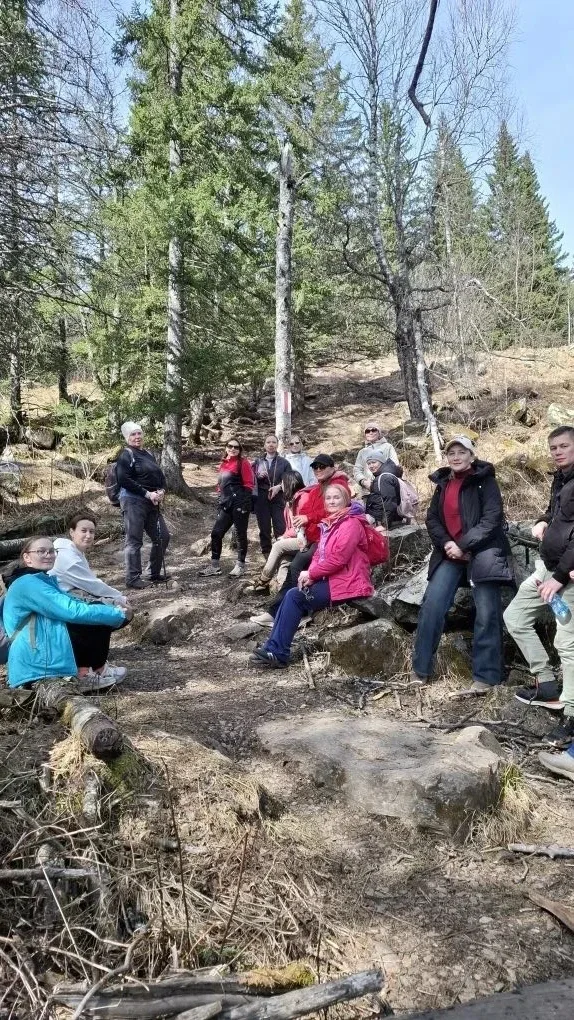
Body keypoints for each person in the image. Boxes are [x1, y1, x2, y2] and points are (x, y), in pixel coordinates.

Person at [411, 436, 513, 693]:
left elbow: (492, 519)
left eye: (461, 452)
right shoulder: (443, 483)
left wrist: (464, 544)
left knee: (487, 612)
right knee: (432, 605)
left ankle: (486, 677)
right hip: (450, 554)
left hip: (483, 553)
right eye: (451, 453)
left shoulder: (485, 481)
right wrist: (448, 543)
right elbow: (432, 519)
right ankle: (421, 670)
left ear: (471, 455)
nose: (456, 457)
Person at [504, 426, 574, 781]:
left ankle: (571, 715)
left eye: (564, 446)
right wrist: (543, 521)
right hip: (547, 567)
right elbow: (555, 512)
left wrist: (559, 577)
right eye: (553, 447)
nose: (557, 452)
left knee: (567, 643)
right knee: (515, 616)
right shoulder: (561, 478)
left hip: (567, 575)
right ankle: (546, 683)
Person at [249, 485, 374, 668]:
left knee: (295, 597)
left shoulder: (351, 523)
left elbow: (339, 559)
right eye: (328, 498)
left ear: (346, 500)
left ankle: (278, 652)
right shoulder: (330, 523)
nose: (332, 501)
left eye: (336, 498)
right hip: (334, 580)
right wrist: (311, 576)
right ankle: (272, 648)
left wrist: (312, 573)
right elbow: (318, 555)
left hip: (350, 582)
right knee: (292, 594)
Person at [3, 537, 131, 693]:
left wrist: (110, 604)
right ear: (27, 557)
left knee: (95, 612)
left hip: (37, 650)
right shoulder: (28, 583)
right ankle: (87, 673)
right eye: (41, 551)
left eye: (52, 551)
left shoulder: (39, 580)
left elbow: (73, 601)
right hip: (35, 657)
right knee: (91, 618)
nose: (48, 555)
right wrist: (115, 612)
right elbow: (70, 610)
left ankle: (94, 670)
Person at [250, 455, 351, 626]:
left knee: (297, 566)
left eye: (322, 466)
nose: (318, 469)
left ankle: (300, 611)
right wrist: (303, 531)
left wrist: (308, 518)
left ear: (332, 467)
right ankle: (275, 612)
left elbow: (333, 511)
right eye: (315, 467)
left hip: (329, 538)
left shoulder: (338, 484)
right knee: (291, 565)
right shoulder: (318, 487)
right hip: (314, 538)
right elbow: (309, 512)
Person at [49, 511, 128, 682]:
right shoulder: (68, 558)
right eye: (83, 531)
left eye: (92, 531)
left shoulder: (72, 550)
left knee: (103, 612)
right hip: (58, 605)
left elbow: (89, 583)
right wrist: (120, 598)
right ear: (72, 532)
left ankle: (91, 665)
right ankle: (95, 669)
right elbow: (92, 584)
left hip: (66, 600)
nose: (88, 535)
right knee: (103, 616)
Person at [116, 421, 170, 590]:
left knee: (163, 536)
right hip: (133, 501)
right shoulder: (126, 455)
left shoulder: (148, 454)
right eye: (133, 434)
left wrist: (161, 491)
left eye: (139, 433)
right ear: (127, 437)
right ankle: (132, 578)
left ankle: (153, 573)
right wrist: (147, 493)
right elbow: (123, 479)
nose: (137, 437)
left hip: (151, 502)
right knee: (134, 540)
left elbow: (160, 477)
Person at [199, 438, 255, 578]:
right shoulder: (223, 463)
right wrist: (220, 499)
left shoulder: (243, 462)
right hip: (225, 504)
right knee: (216, 533)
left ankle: (240, 566)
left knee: (240, 534)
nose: (233, 449)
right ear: (226, 448)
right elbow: (220, 485)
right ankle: (214, 566)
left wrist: (244, 504)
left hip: (239, 503)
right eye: (230, 446)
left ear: (240, 450)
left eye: (236, 447)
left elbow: (249, 484)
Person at [248, 470, 307, 593]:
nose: (281, 485)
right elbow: (290, 527)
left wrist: (285, 537)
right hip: (298, 538)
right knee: (285, 559)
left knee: (277, 546)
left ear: (289, 482)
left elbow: (302, 526)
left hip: (307, 540)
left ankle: (263, 580)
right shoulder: (290, 501)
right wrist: (285, 535)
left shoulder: (303, 498)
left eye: (282, 483)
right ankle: (281, 590)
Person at [252, 435, 291, 556]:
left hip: (278, 497)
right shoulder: (257, 462)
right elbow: (250, 480)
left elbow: (290, 480)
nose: (271, 444)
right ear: (264, 445)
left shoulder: (284, 462)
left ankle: (282, 556)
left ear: (277, 444)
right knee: (264, 528)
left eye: (274, 442)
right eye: (268, 442)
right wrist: (258, 477)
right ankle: (267, 555)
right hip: (261, 498)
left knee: (280, 527)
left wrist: (279, 487)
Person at [354, 423, 399, 493]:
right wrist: (363, 482)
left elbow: (394, 465)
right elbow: (357, 470)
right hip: (366, 490)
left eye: (373, 430)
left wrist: (382, 480)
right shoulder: (362, 452)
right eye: (367, 431)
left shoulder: (387, 447)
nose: (370, 433)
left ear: (379, 433)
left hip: (386, 486)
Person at [364, 452, 404, 529]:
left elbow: (390, 502)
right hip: (381, 517)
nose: (371, 466)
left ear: (381, 462)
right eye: (369, 463)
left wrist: (384, 525)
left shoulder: (384, 478)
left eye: (374, 462)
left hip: (381, 520)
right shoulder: (385, 474)